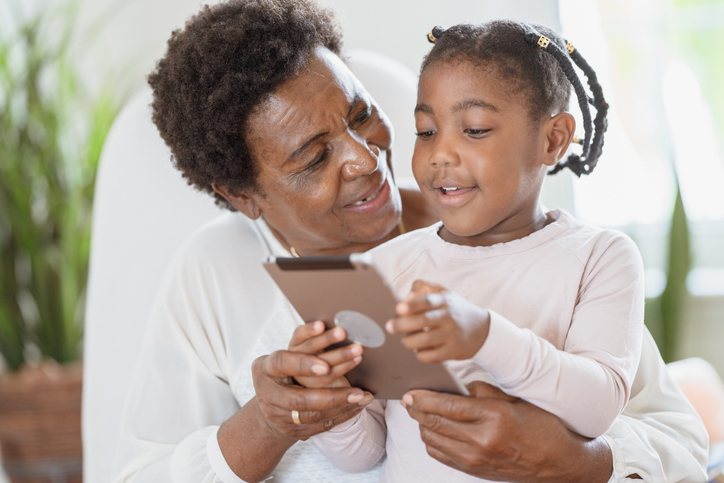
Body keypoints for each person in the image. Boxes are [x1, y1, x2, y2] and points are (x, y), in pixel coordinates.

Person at [111, 1, 708, 482]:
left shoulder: (522, 237)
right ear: (245, 196)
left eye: (362, 113)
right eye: (314, 157)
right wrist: (272, 423)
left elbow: (673, 434)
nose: (365, 158)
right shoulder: (215, 272)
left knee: (703, 383)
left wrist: (573, 463)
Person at [303, 20, 650, 481]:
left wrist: (485, 336)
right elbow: (366, 453)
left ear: (553, 139)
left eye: (475, 129)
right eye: (426, 131)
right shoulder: (382, 269)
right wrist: (331, 399)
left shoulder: (601, 257)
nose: (440, 154)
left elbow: (597, 408)